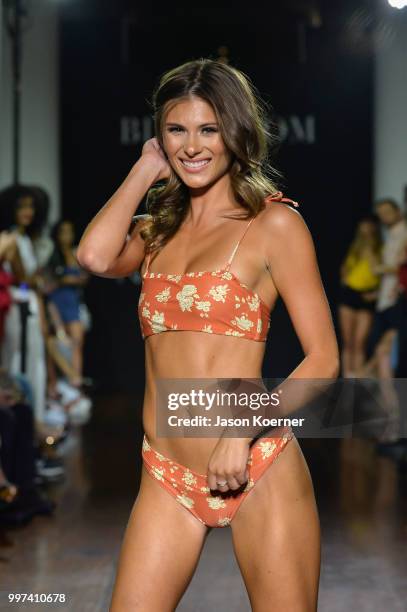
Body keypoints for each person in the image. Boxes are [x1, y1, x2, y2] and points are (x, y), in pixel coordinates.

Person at [77, 59, 339, 610]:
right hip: (166, 472)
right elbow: (95, 255)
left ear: (235, 134)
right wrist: (146, 169)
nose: (191, 146)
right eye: (176, 130)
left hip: (256, 463)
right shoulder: (154, 231)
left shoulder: (274, 225)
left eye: (208, 129)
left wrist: (239, 434)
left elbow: (323, 360)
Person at [338, 216, 382, 377]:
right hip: (350, 293)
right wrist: (345, 277)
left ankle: (357, 378)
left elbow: (376, 270)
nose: (366, 231)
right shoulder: (355, 248)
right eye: (363, 228)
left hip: (367, 294)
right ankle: (346, 378)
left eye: (369, 228)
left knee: (359, 342)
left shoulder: (380, 249)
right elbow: (345, 269)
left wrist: (370, 246)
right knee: (348, 341)